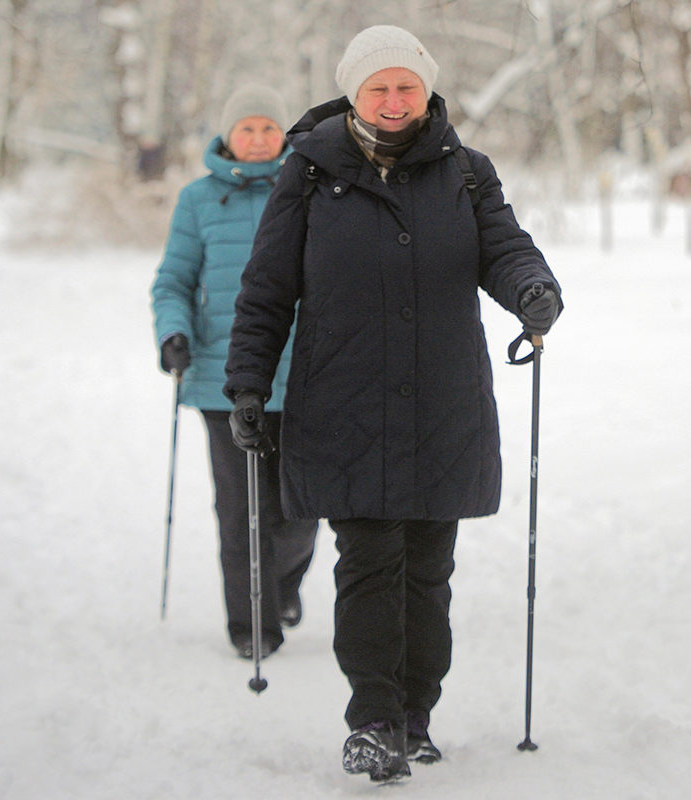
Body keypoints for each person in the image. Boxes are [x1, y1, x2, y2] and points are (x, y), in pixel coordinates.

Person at [223, 25, 563, 783]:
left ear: (426, 89)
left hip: (443, 403)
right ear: (354, 91)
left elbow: (505, 248)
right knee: (369, 562)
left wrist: (533, 291)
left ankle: (416, 715)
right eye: (379, 87)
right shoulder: (308, 175)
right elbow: (268, 288)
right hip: (345, 403)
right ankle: (373, 720)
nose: (394, 99)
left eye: (406, 85)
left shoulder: (466, 173)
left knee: (427, 573)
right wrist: (248, 382)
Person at [151, 84, 318, 661]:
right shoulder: (198, 200)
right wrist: (174, 334)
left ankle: (283, 584)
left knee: (300, 510)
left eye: (268, 128)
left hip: (303, 376)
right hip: (222, 381)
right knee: (241, 509)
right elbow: (173, 280)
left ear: (283, 135)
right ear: (227, 135)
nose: (257, 139)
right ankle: (253, 624)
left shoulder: (310, 190)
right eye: (245, 128)